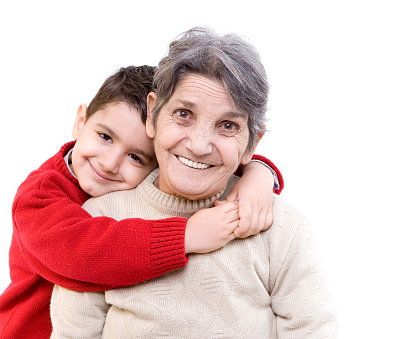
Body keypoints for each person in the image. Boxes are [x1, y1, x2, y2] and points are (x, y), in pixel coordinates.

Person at [50, 27, 337, 338]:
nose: (199, 145)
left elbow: (313, 330)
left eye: (228, 125)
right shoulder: (97, 222)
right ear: (152, 115)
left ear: (252, 144)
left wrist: (261, 173)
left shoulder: (279, 227)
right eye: (184, 114)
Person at [0, 65, 284, 339]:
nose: (110, 163)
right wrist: (185, 237)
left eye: (135, 157)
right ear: (81, 121)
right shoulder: (39, 196)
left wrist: (258, 173)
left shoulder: (135, 187)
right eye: (105, 136)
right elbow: (82, 254)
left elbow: (201, 167)